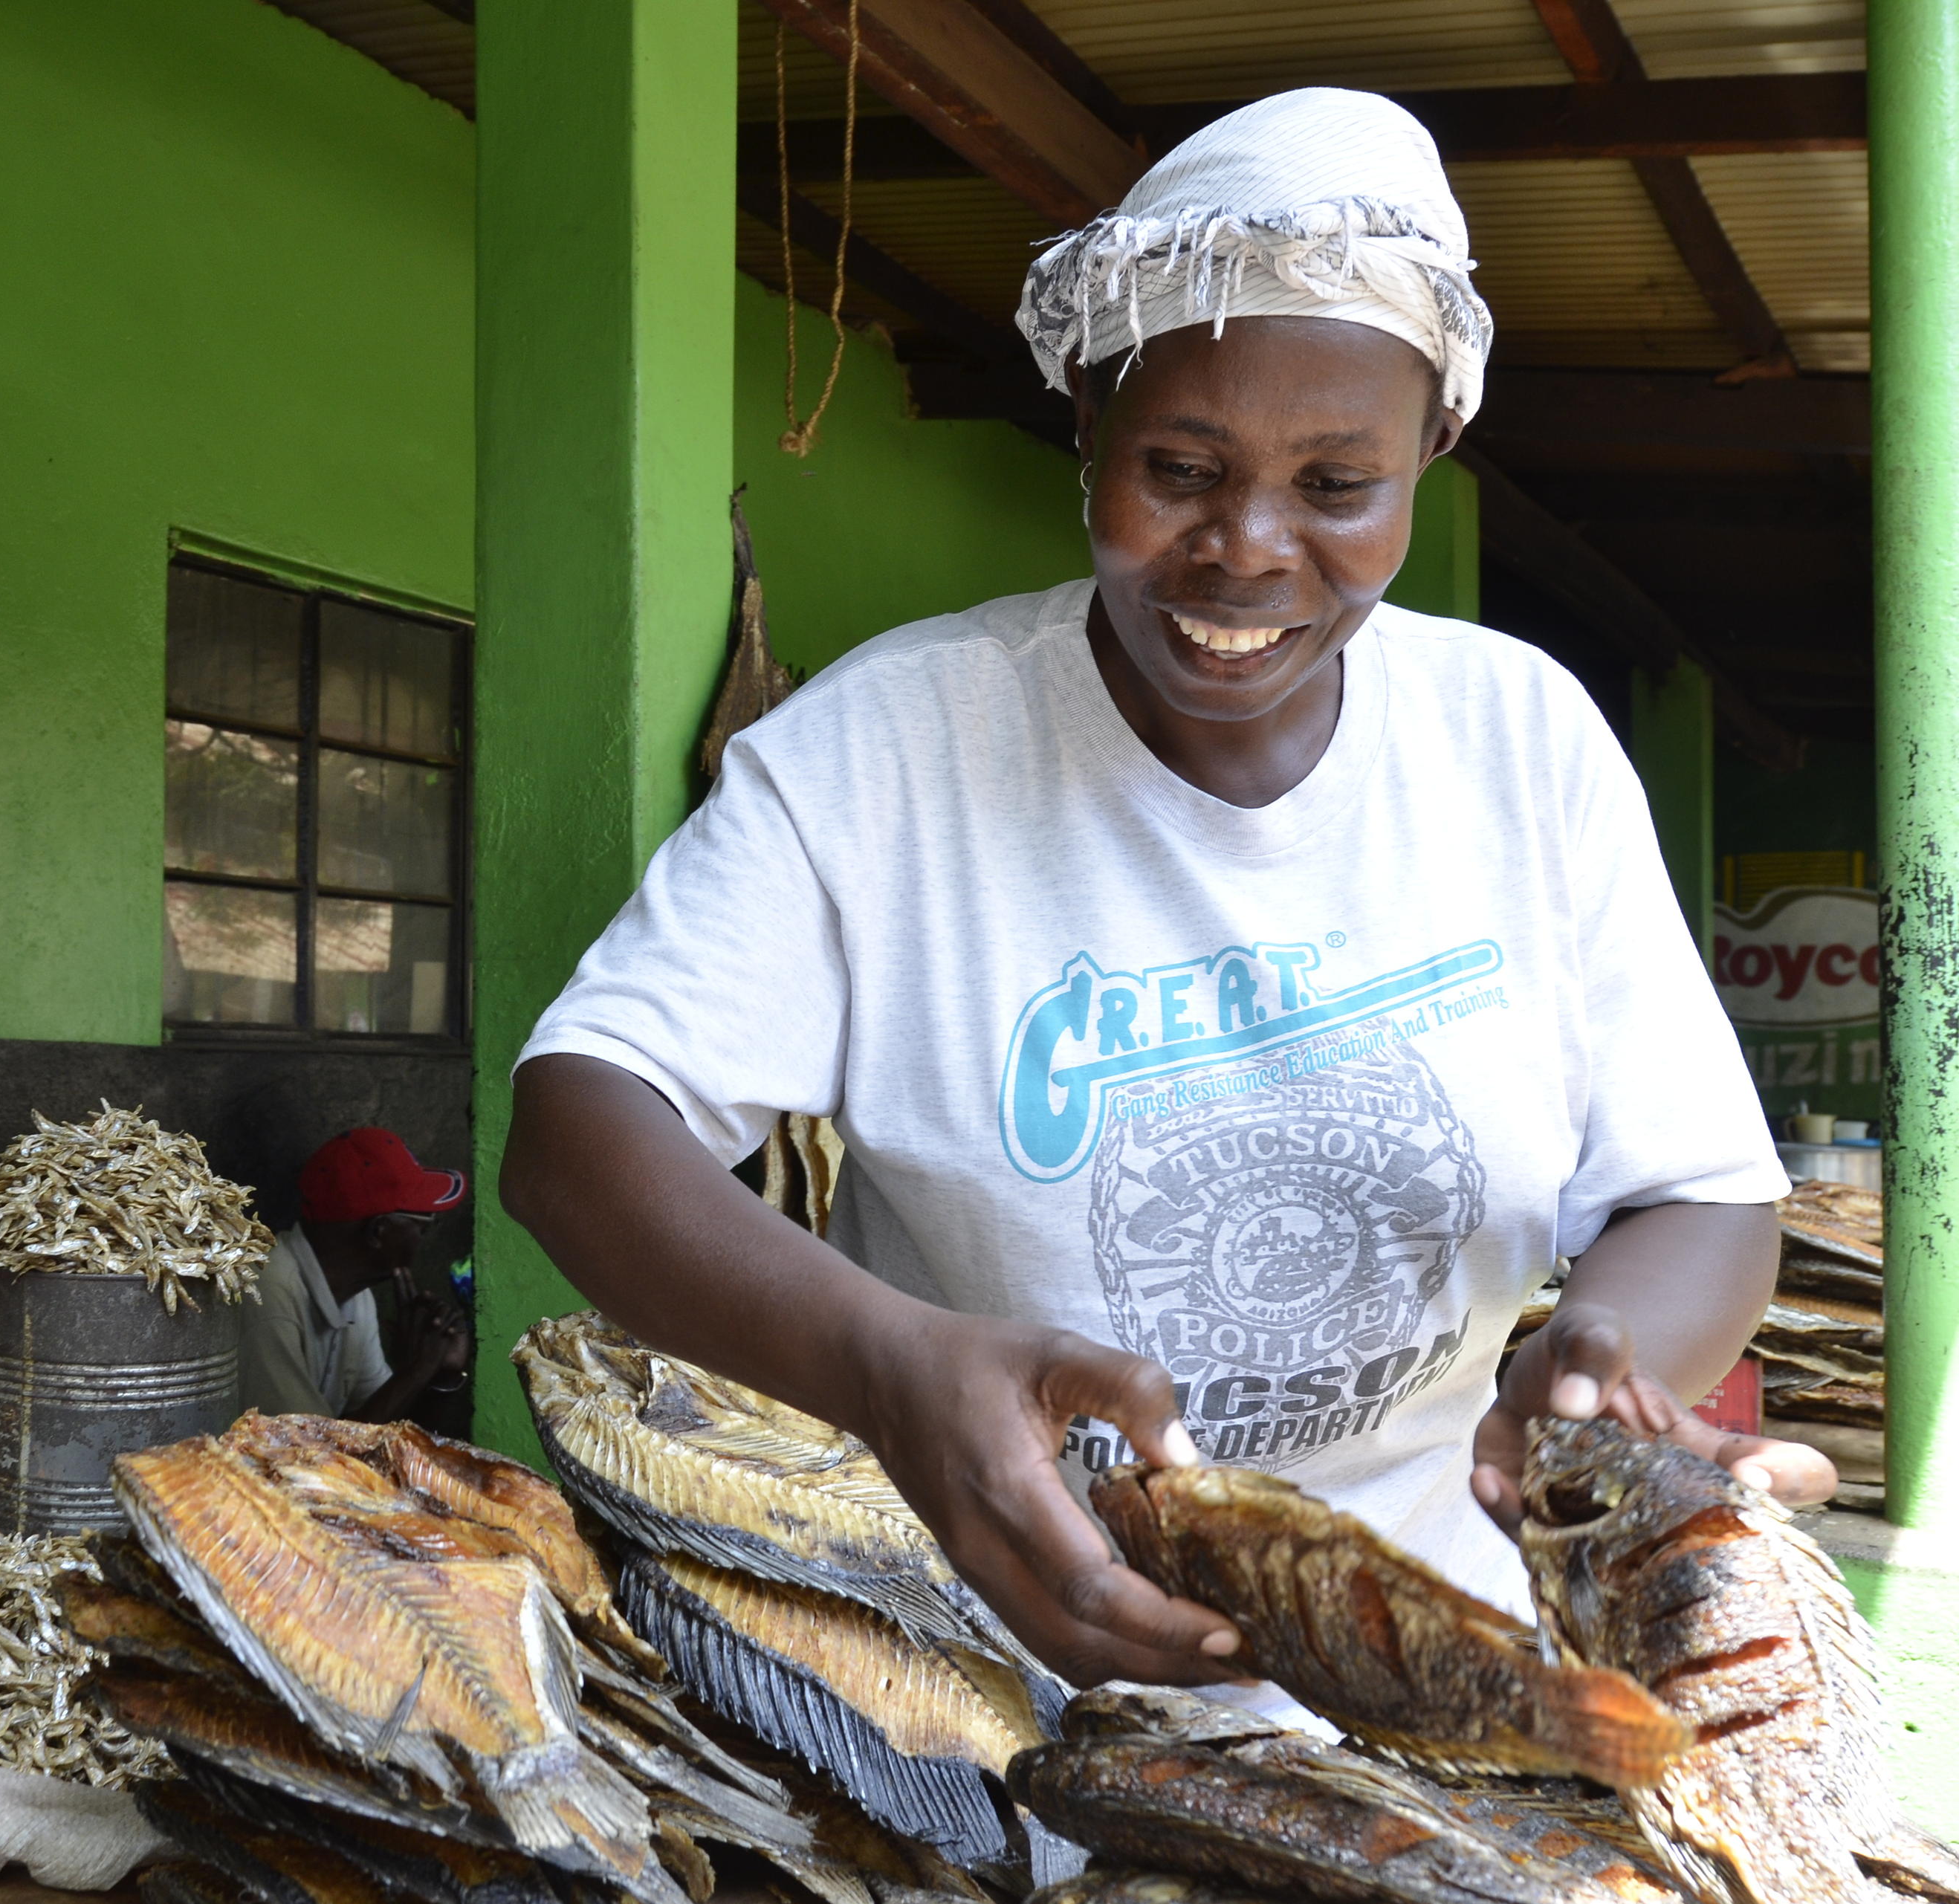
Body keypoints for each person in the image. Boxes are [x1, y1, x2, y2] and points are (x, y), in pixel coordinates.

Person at [500, 88, 1835, 1699]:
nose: (1246, 550)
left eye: (1336, 485)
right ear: (1081, 422)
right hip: (958, 1675)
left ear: (1432, 448)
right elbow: (579, 1126)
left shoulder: (1517, 740)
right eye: (1178, 467)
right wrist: (887, 1364)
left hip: (1426, 1672)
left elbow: (1701, 1190)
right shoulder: (887, 747)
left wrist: (1593, 1360)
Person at [239, 1127, 474, 1422]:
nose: (425, 1238)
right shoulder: (267, 1291)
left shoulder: (357, 1298)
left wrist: (442, 1372)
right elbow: (304, 1454)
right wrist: (417, 1367)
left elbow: (382, 1428)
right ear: (379, 1232)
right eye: (425, 1224)